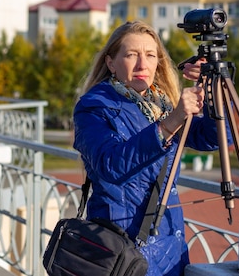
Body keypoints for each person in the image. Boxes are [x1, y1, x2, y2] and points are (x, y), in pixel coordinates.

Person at [73, 20, 222, 276]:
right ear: (111, 63)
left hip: (169, 248)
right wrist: (172, 121)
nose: (143, 64)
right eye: (131, 55)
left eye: (150, 55)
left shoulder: (161, 104)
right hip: (122, 248)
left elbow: (214, 138)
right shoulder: (93, 107)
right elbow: (111, 165)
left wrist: (213, 91)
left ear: (158, 62)